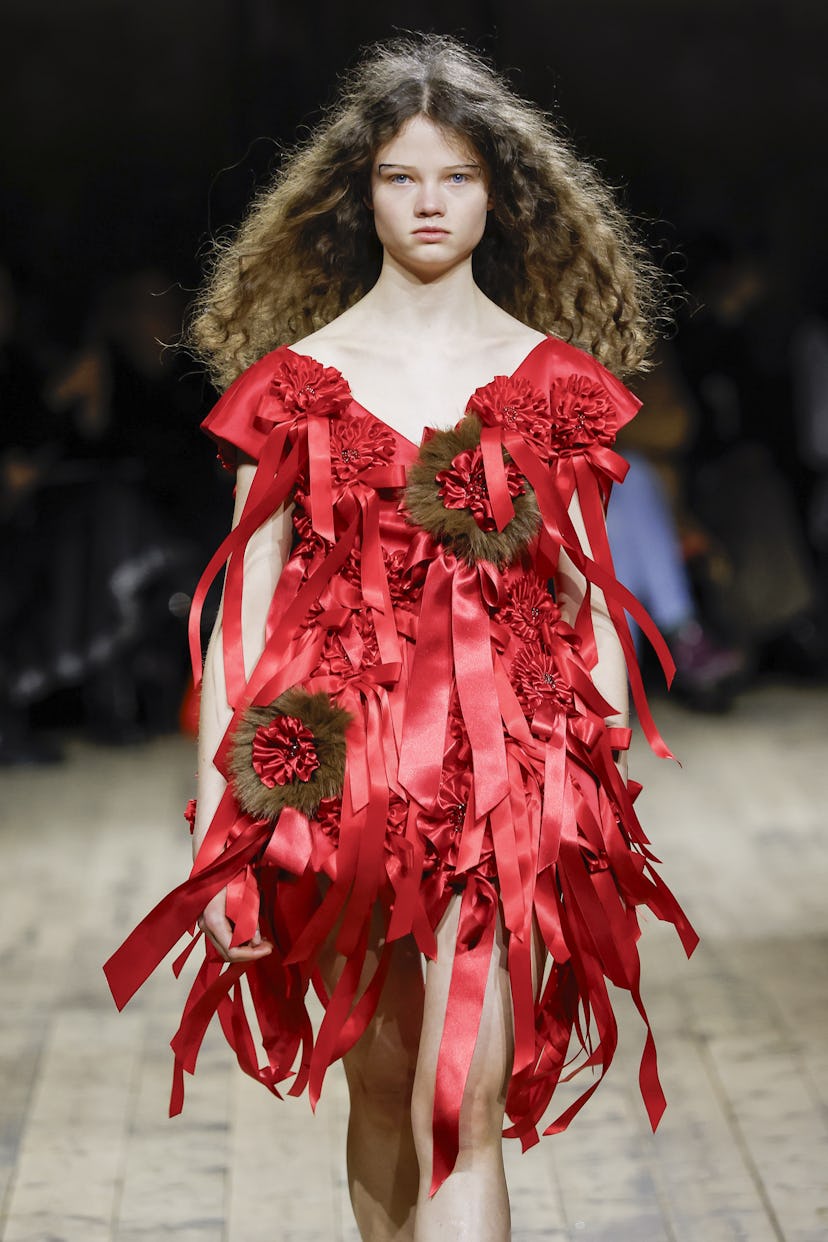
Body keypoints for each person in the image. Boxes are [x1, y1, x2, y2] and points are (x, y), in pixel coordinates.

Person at [105, 34, 697, 1242]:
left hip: (505, 791)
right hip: (340, 781)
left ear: (502, 193)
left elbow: (589, 605)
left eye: (458, 178)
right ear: (357, 194)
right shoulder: (295, 385)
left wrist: (588, 808)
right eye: (400, 177)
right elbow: (245, 619)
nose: (429, 203)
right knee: (379, 1089)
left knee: (461, 1103)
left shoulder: (554, 384)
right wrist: (228, 832)